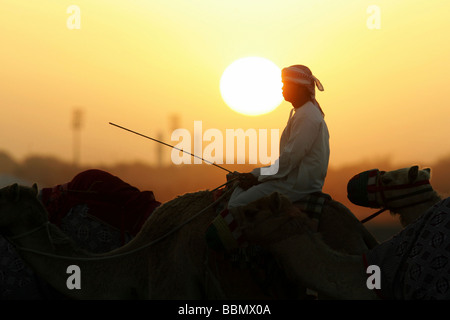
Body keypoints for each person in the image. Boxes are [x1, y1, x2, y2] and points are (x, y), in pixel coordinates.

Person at [227, 65, 330, 208]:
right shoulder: (302, 113)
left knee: (236, 204)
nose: (282, 88)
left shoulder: (306, 116)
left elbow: (290, 159)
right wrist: (255, 174)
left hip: (296, 185)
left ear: (300, 87)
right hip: (292, 179)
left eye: (286, 84)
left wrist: (258, 176)